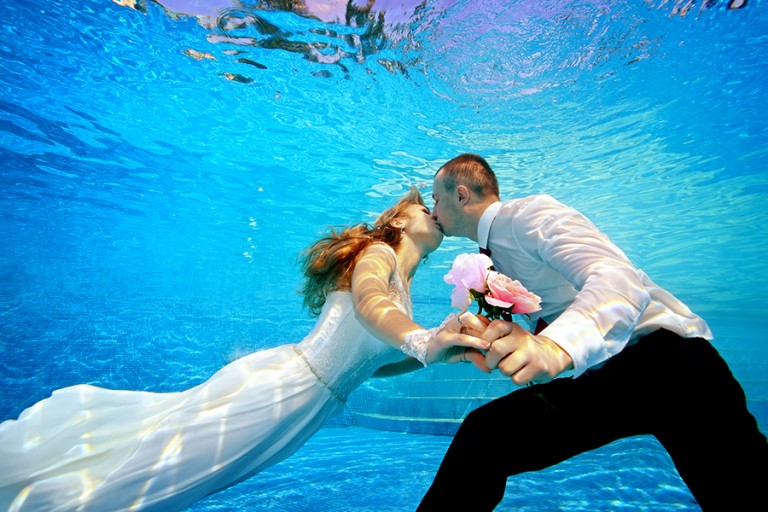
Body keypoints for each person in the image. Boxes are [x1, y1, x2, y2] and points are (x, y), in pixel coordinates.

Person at [0, 187, 489, 512]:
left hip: (306, 405)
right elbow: (367, 306)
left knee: (164, 469)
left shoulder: (401, 284)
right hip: (282, 387)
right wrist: (425, 340)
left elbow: (369, 363)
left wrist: (442, 350)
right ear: (399, 223)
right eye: (425, 208)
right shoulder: (378, 256)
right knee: (159, 476)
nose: (435, 214)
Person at [418, 154, 768, 511]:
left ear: (461, 195)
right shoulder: (491, 253)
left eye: (436, 199)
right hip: (612, 375)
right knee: (486, 436)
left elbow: (618, 280)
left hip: (672, 366)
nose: (432, 211)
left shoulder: (527, 215)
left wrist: (553, 347)